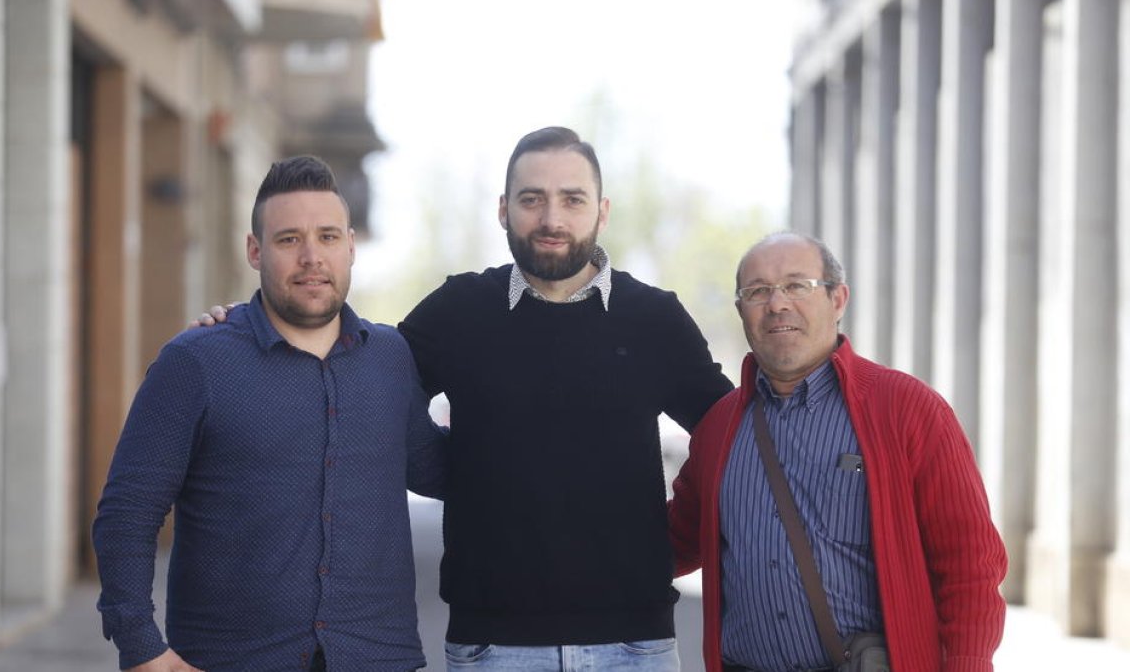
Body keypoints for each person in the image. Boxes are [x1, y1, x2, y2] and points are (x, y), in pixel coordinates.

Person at [398, 126, 734, 671]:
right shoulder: (458, 311)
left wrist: (679, 535)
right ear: (504, 210)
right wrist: (236, 330)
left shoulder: (654, 319)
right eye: (532, 199)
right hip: (491, 649)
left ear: (601, 212)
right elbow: (362, 388)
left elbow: (733, 438)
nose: (552, 218)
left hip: (636, 647)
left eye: (572, 199)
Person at [93, 155, 445, 672]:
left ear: (350, 246)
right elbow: (128, 512)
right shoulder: (196, 362)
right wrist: (141, 647)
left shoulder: (390, 359)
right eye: (288, 239)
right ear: (255, 251)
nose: (311, 257)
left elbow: (437, 470)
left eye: (327, 237)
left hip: (380, 657)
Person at [668, 231, 1007, 672]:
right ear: (741, 311)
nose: (777, 304)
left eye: (797, 285)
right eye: (758, 292)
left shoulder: (907, 410)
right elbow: (672, 543)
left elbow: (970, 565)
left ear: (838, 299)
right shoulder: (718, 428)